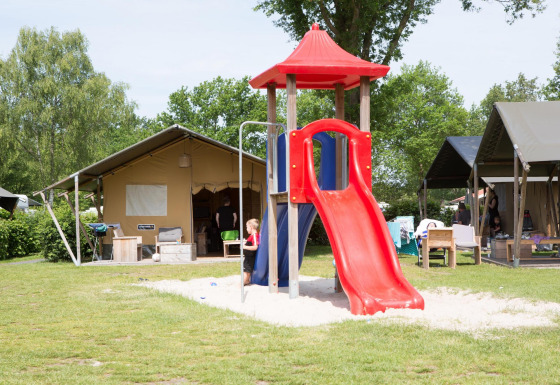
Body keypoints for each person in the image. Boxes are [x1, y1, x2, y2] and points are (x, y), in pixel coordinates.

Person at [243, 218, 260, 285]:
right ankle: (246, 281)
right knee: (247, 270)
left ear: (251, 227)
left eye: (247, 227)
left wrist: (244, 247)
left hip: (250, 257)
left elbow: (255, 247)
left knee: (246, 271)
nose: (246, 229)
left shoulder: (254, 236)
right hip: (248, 257)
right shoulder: (252, 236)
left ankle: (242, 283)